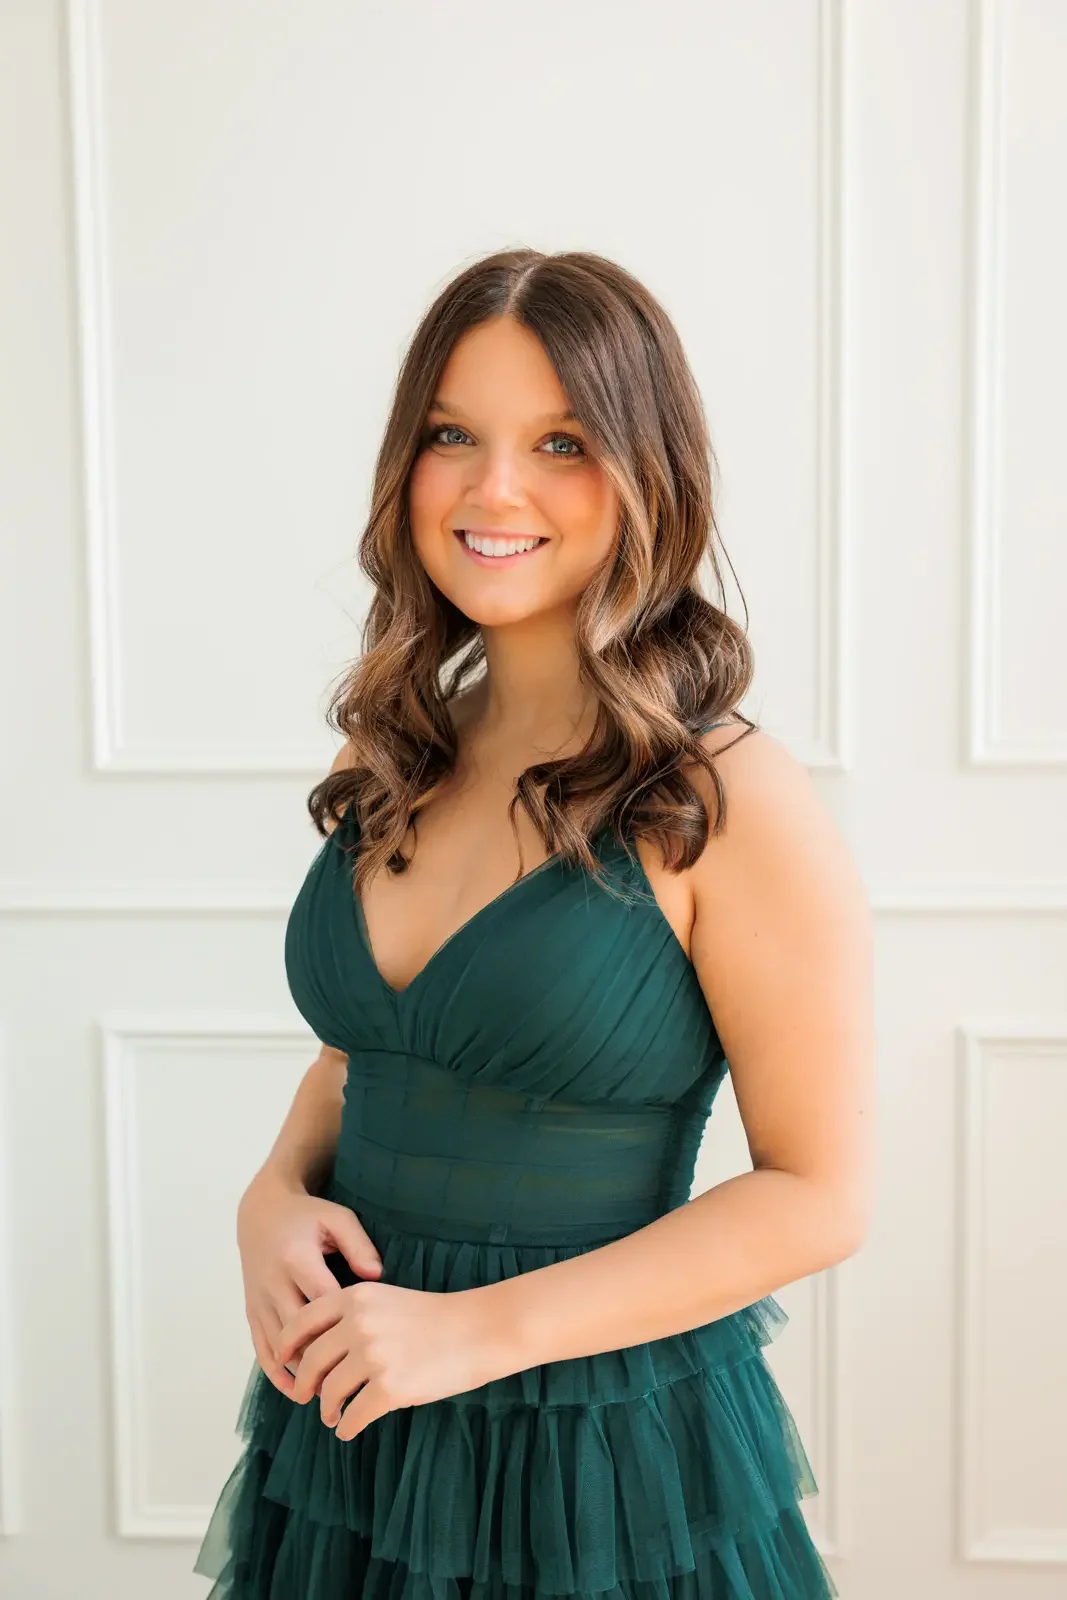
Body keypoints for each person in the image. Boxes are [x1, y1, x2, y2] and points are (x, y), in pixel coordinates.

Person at [194, 248, 875, 1600]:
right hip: (349, 1421)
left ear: (645, 476)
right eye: (453, 436)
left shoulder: (721, 789)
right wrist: (271, 1198)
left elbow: (820, 1193)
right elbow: (372, 1052)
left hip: (593, 1454)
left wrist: (472, 1337)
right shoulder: (410, 748)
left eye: (558, 442)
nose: (492, 489)